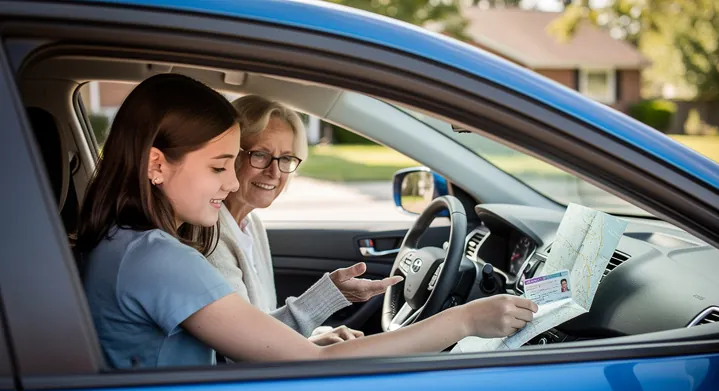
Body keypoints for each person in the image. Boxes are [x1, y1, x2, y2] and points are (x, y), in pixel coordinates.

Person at [77, 73, 538, 369]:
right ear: (156, 165)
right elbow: (303, 361)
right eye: (220, 167)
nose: (233, 184)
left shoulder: (128, 243)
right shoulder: (159, 258)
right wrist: (463, 321)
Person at [207, 95, 390, 346]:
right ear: (229, 155)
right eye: (260, 154)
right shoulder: (209, 236)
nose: (274, 172)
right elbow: (243, 346)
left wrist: (315, 339)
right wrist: (328, 295)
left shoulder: (251, 225)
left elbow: (260, 323)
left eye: (285, 159)